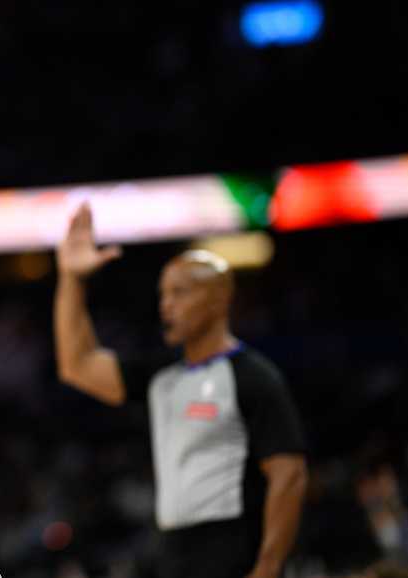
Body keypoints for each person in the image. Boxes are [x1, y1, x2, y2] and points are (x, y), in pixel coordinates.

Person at [53, 203, 308, 578]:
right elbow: (77, 365)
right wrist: (71, 279)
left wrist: (268, 566)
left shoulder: (253, 377)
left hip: (236, 554)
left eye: (180, 293)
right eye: (163, 295)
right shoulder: (161, 374)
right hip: (173, 554)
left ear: (220, 299)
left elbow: (289, 474)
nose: (166, 305)